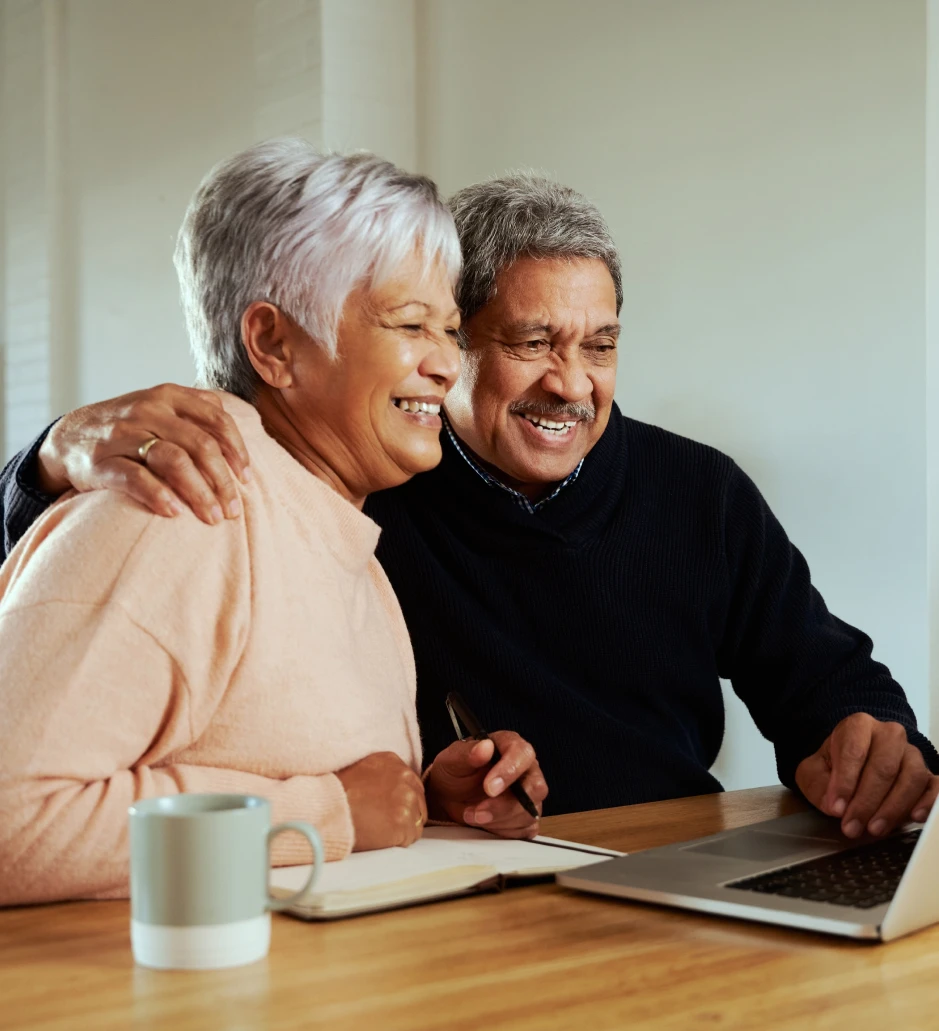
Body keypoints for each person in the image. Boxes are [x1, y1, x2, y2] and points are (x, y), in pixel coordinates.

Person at [2, 172, 936, 846]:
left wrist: (864, 744)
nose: (571, 383)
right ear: (463, 343)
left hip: (658, 863)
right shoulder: (366, 487)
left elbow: (826, 677)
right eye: (530, 341)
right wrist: (45, 460)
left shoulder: (700, 493)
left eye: (600, 346)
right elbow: (63, 597)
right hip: (461, 892)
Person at [0, 141, 546, 907]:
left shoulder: (345, 543)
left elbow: (282, 762)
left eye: (448, 330)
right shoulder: (184, 513)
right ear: (273, 345)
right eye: (409, 324)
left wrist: (423, 799)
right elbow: (12, 822)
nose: (445, 364)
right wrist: (325, 813)